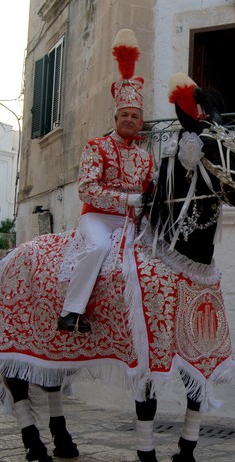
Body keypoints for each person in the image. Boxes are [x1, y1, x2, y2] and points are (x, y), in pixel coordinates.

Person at [57, 28, 155, 333]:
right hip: (98, 219)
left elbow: (150, 190)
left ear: (140, 122)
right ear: (116, 118)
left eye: (134, 116)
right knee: (98, 247)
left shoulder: (145, 156)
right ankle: (70, 312)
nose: (129, 119)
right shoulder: (96, 147)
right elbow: (86, 190)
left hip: (130, 223)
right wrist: (126, 199)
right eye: (124, 114)